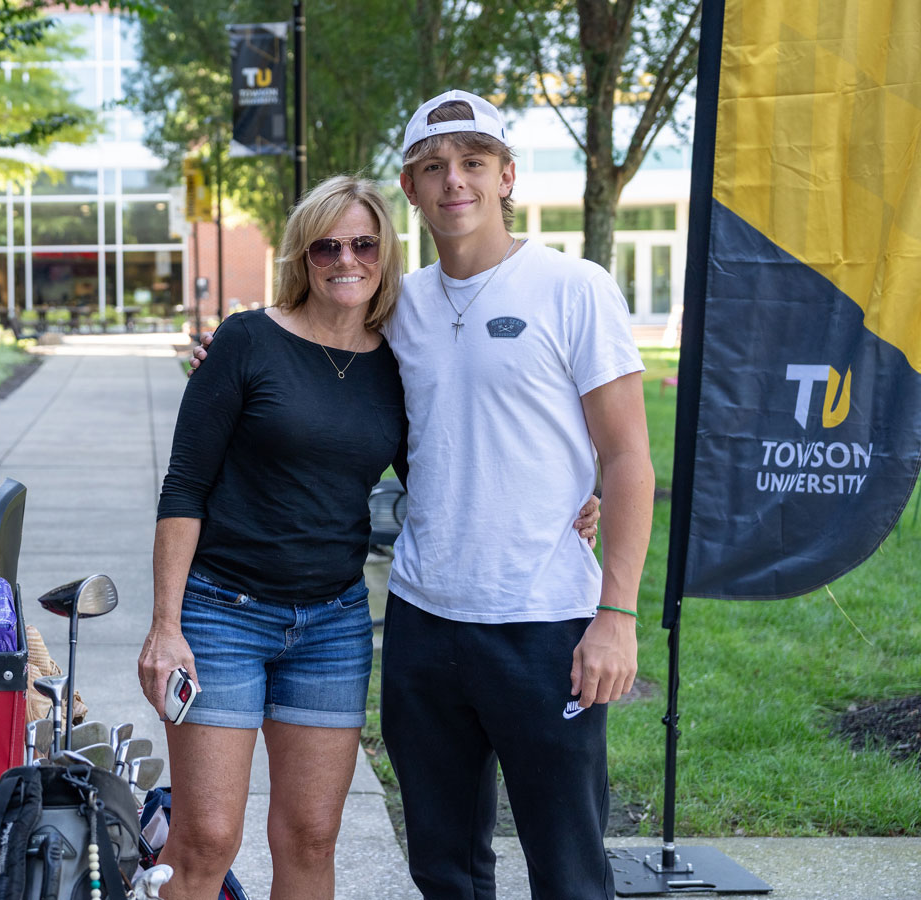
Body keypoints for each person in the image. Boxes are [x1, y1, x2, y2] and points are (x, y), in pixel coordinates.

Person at [190, 90, 652, 900]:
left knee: (570, 870)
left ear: (507, 176)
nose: (454, 181)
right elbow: (331, 373)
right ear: (409, 187)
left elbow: (628, 457)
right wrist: (229, 366)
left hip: (545, 621)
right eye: (433, 166)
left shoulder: (573, 288)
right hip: (423, 621)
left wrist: (616, 614)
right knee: (444, 868)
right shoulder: (398, 307)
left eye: (474, 162)